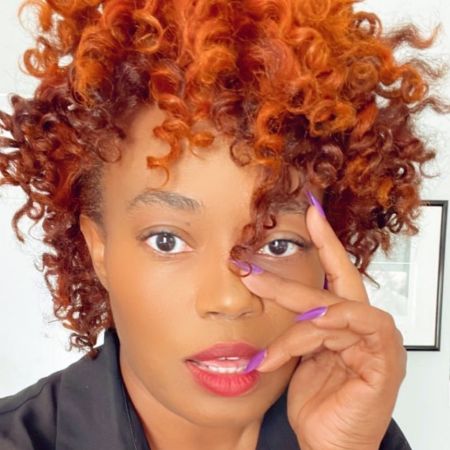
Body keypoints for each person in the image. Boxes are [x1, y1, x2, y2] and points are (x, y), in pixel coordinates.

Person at [0, 0, 448, 448]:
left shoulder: (363, 436)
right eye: (166, 240)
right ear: (99, 251)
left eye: (278, 245)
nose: (231, 300)